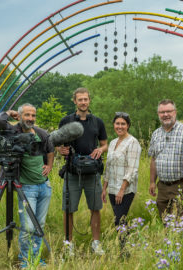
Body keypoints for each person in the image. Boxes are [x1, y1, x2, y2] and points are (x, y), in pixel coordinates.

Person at [0, 103, 54, 268]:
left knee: (39, 225)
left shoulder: (41, 133)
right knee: (27, 226)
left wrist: (49, 166)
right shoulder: (13, 131)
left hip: (44, 187)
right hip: (26, 188)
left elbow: (50, 150)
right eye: (27, 115)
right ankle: (25, 260)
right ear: (20, 116)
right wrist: (9, 112)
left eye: (33, 115)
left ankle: (36, 259)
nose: (30, 119)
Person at [57, 87, 108, 256]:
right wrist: (59, 150)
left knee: (95, 208)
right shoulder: (66, 120)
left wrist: (101, 150)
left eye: (86, 99)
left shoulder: (97, 122)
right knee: (69, 209)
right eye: (80, 100)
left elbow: (105, 143)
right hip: (72, 171)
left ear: (89, 100)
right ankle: (68, 244)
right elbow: (56, 141)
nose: (83, 102)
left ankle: (96, 243)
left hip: (93, 171)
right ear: (75, 101)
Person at [148, 99, 183, 221]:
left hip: (180, 185)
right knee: (165, 222)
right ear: (158, 114)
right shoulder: (156, 134)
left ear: (175, 112)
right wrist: (152, 181)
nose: (165, 115)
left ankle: (179, 240)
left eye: (169, 111)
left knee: (179, 223)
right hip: (162, 187)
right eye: (162, 112)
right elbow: (153, 159)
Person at [101, 112, 141, 227]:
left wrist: (122, 190)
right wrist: (104, 189)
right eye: (117, 123)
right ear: (113, 125)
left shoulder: (132, 142)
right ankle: (125, 244)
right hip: (112, 189)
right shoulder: (113, 143)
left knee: (120, 220)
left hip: (125, 190)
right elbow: (108, 168)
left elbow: (132, 169)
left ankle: (125, 244)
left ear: (128, 125)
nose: (120, 126)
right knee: (118, 221)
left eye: (123, 124)